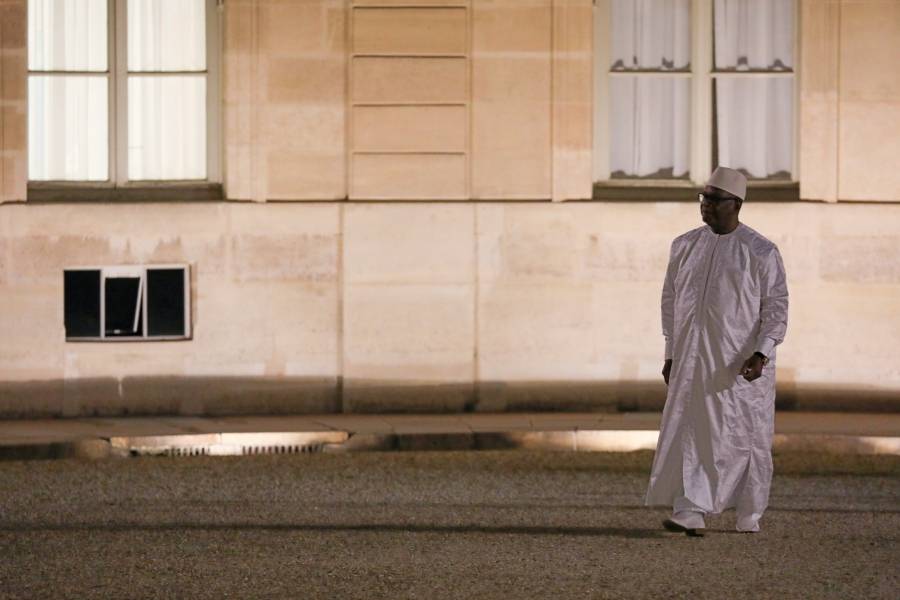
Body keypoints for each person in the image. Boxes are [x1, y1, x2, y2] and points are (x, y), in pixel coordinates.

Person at [644, 166, 789, 536]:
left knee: (742, 438)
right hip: (692, 361)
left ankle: (748, 512)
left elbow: (775, 306)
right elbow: (671, 301)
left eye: (714, 199)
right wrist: (671, 352)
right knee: (690, 431)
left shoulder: (761, 252)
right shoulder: (684, 245)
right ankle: (690, 508)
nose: (705, 205)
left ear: (736, 204)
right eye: (703, 198)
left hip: (737, 364)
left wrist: (762, 353)